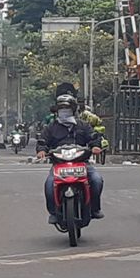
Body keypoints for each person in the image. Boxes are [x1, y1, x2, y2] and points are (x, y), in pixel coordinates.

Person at [37, 93, 104, 224]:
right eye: (61, 109)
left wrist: (95, 146)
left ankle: (95, 209)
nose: (64, 112)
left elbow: (93, 138)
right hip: (59, 165)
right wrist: (41, 151)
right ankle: (54, 213)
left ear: (73, 110)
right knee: (49, 185)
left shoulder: (83, 125)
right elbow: (42, 142)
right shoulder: (51, 127)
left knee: (96, 180)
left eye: (67, 109)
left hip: (81, 163)